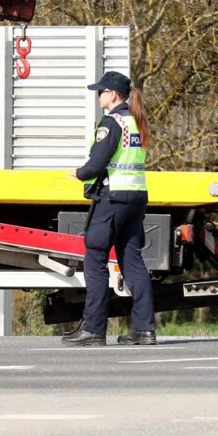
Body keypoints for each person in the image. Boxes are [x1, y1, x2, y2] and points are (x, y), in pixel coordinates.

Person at [63, 70, 157, 347]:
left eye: (101, 92)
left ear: (114, 95)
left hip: (113, 197)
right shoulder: (136, 121)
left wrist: (79, 174)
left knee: (95, 259)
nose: (98, 96)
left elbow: (97, 163)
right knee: (133, 261)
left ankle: (93, 330)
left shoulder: (112, 123)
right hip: (136, 196)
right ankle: (144, 330)